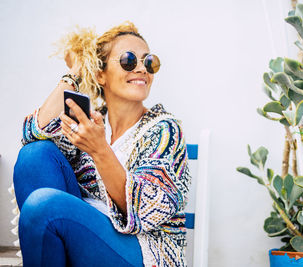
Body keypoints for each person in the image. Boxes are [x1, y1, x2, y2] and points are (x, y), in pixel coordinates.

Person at [13, 21, 191, 267]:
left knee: (43, 206)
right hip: (87, 239)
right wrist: (75, 71)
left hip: (145, 249)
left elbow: (147, 211)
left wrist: (100, 150)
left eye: (149, 62)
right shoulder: (90, 122)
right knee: (35, 154)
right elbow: (33, 133)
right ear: (100, 74)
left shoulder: (164, 129)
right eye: (129, 60)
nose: (142, 69)